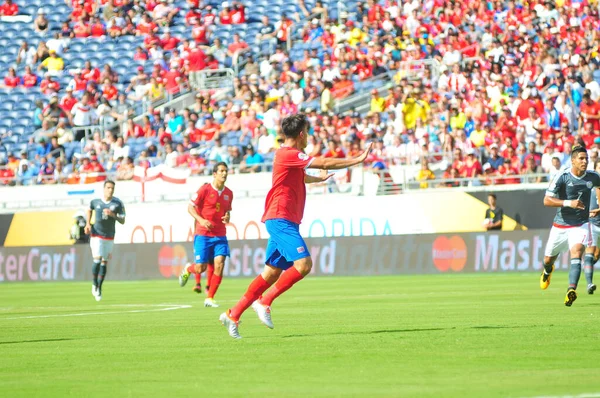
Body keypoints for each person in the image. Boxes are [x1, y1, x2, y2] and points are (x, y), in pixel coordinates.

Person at [219, 114, 372, 339]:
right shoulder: (288, 153)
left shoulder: (290, 158)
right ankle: (265, 301)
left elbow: (299, 176)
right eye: (307, 132)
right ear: (301, 134)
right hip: (280, 218)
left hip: (284, 219)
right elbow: (325, 162)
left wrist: (315, 180)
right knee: (303, 264)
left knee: (271, 273)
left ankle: (233, 314)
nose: (308, 136)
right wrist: (356, 160)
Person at [541, 146, 600, 307]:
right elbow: (546, 200)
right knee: (547, 259)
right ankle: (547, 271)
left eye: (586, 158)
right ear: (572, 160)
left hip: (581, 224)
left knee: (577, 252)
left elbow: (599, 186)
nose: (585, 161)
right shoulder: (563, 175)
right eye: (581, 158)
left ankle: (571, 290)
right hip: (560, 225)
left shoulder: (593, 177)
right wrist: (569, 203)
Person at [179, 162, 233, 308]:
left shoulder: (229, 193)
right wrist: (201, 220)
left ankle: (209, 298)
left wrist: (227, 217)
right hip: (203, 235)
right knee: (200, 268)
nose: (224, 173)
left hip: (220, 235)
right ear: (214, 174)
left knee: (220, 265)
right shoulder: (205, 189)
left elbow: (227, 211)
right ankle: (189, 269)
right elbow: (190, 207)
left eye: (226, 171)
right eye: (221, 171)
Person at [84, 180, 126, 302]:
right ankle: (94, 283)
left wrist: (113, 215)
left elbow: (123, 220)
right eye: (108, 188)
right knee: (97, 259)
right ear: (104, 188)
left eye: (112, 188)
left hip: (110, 236)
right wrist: (87, 223)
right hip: (96, 234)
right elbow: (89, 209)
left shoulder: (117, 203)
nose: (110, 190)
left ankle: (99, 287)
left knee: (104, 262)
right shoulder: (96, 202)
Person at [585, 159, 600, 295]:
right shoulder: (589, 186)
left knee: (596, 254)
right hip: (592, 223)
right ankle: (589, 283)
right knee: (590, 252)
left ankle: (587, 267)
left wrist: (597, 210)